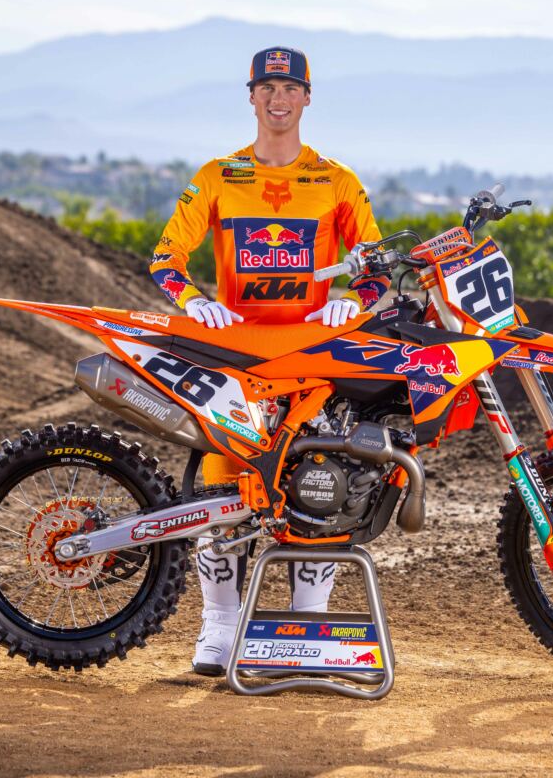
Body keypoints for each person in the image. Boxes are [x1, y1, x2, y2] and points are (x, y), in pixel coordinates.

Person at [149, 46, 389, 675]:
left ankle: (305, 626)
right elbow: (165, 258)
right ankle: (220, 626)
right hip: (234, 358)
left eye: (290, 88)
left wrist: (354, 300)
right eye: (267, 87)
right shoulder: (217, 176)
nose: (278, 99)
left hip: (312, 361)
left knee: (318, 488)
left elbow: (376, 266)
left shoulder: (337, 181)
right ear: (251, 95)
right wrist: (194, 302)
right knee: (224, 487)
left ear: (307, 97)